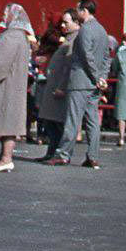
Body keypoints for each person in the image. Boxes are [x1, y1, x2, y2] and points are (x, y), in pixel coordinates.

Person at [46, 0, 111, 169]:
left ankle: (63, 155)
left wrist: (96, 77)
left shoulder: (85, 30)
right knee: (93, 122)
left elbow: (86, 56)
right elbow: (106, 57)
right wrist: (102, 78)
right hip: (94, 85)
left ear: (84, 11)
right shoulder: (102, 30)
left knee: (73, 120)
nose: (77, 12)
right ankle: (93, 156)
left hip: (80, 81)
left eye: (78, 9)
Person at [0, 4, 34, 173]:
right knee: (9, 121)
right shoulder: (21, 36)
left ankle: (6, 159)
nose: (3, 16)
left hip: (5, 86)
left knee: (7, 121)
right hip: (13, 86)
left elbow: (0, 65)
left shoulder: (11, 37)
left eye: (5, 13)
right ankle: (4, 158)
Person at [35, 9, 78, 160]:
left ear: (76, 23)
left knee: (56, 123)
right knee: (50, 121)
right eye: (62, 22)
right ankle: (51, 152)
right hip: (53, 85)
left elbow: (69, 66)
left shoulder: (74, 40)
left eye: (66, 22)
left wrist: (62, 86)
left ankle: (57, 153)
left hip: (59, 88)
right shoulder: (67, 39)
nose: (62, 25)